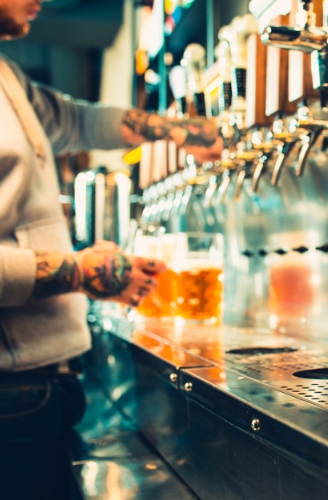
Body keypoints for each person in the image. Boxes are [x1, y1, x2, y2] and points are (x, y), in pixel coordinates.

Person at [0, 1, 223, 498]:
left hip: (41, 388)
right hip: (10, 398)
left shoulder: (5, 74)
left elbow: (75, 120)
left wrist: (180, 131)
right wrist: (81, 271)